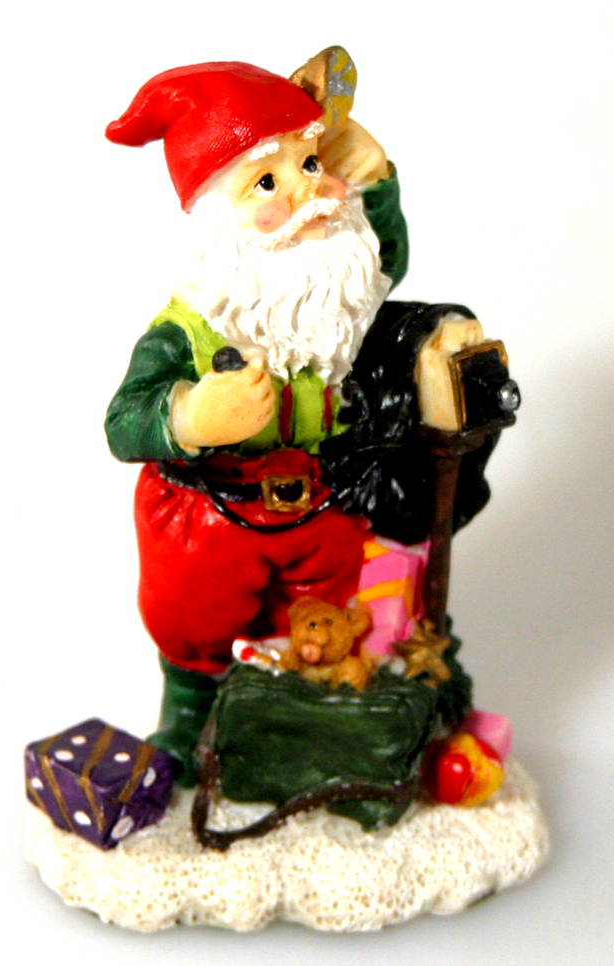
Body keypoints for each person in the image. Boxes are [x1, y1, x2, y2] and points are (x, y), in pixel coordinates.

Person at [104, 56, 492, 784]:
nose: (309, 192)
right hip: (210, 511)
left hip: (318, 498)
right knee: (194, 619)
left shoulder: (327, 296)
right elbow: (123, 422)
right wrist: (191, 416)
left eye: (311, 163)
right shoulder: (189, 329)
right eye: (267, 182)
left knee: (323, 618)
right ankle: (187, 717)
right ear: (218, 219)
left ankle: (300, 723)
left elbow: (378, 262)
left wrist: (375, 182)